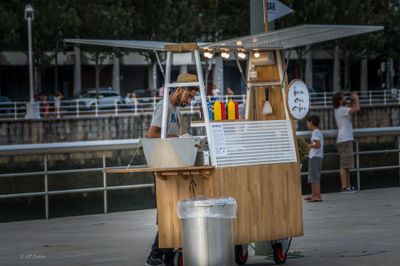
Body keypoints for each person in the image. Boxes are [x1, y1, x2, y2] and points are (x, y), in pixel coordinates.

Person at [145, 73, 198, 266]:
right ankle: (155, 255)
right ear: (180, 89)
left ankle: (167, 253)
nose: (189, 100)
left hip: (172, 166)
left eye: (192, 98)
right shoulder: (164, 106)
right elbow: (152, 134)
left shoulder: (176, 109)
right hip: (163, 167)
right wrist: (176, 140)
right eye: (189, 96)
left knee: (173, 210)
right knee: (168, 211)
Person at [332, 92, 360, 193]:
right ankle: (344, 187)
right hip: (344, 140)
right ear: (340, 101)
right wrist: (356, 99)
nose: (345, 98)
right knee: (344, 166)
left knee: (346, 165)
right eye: (343, 97)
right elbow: (357, 109)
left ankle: (348, 186)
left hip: (345, 139)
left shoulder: (340, 109)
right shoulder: (341, 110)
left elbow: (351, 107)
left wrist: (352, 101)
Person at [304, 115, 324, 202]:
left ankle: (317, 196)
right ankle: (314, 194)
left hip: (315, 157)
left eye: (307, 123)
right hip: (316, 157)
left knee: (315, 177)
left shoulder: (315, 132)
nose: (307, 124)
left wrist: (308, 145)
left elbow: (318, 145)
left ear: (311, 122)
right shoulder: (317, 131)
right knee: (313, 177)